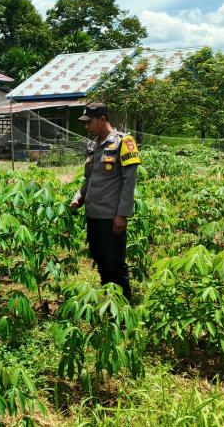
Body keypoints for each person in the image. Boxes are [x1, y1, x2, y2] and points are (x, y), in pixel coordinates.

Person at [70, 103, 140, 301]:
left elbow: (129, 182)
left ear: (102, 119)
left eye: (89, 122)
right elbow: (89, 179)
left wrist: (122, 215)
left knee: (115, 264)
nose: (86, 126)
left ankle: (123, 306)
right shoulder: (92, 146)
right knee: (100, 260)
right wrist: (79, 197)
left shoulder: (123, 142)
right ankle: (109, 301)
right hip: (93, 214)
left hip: (112, 217)